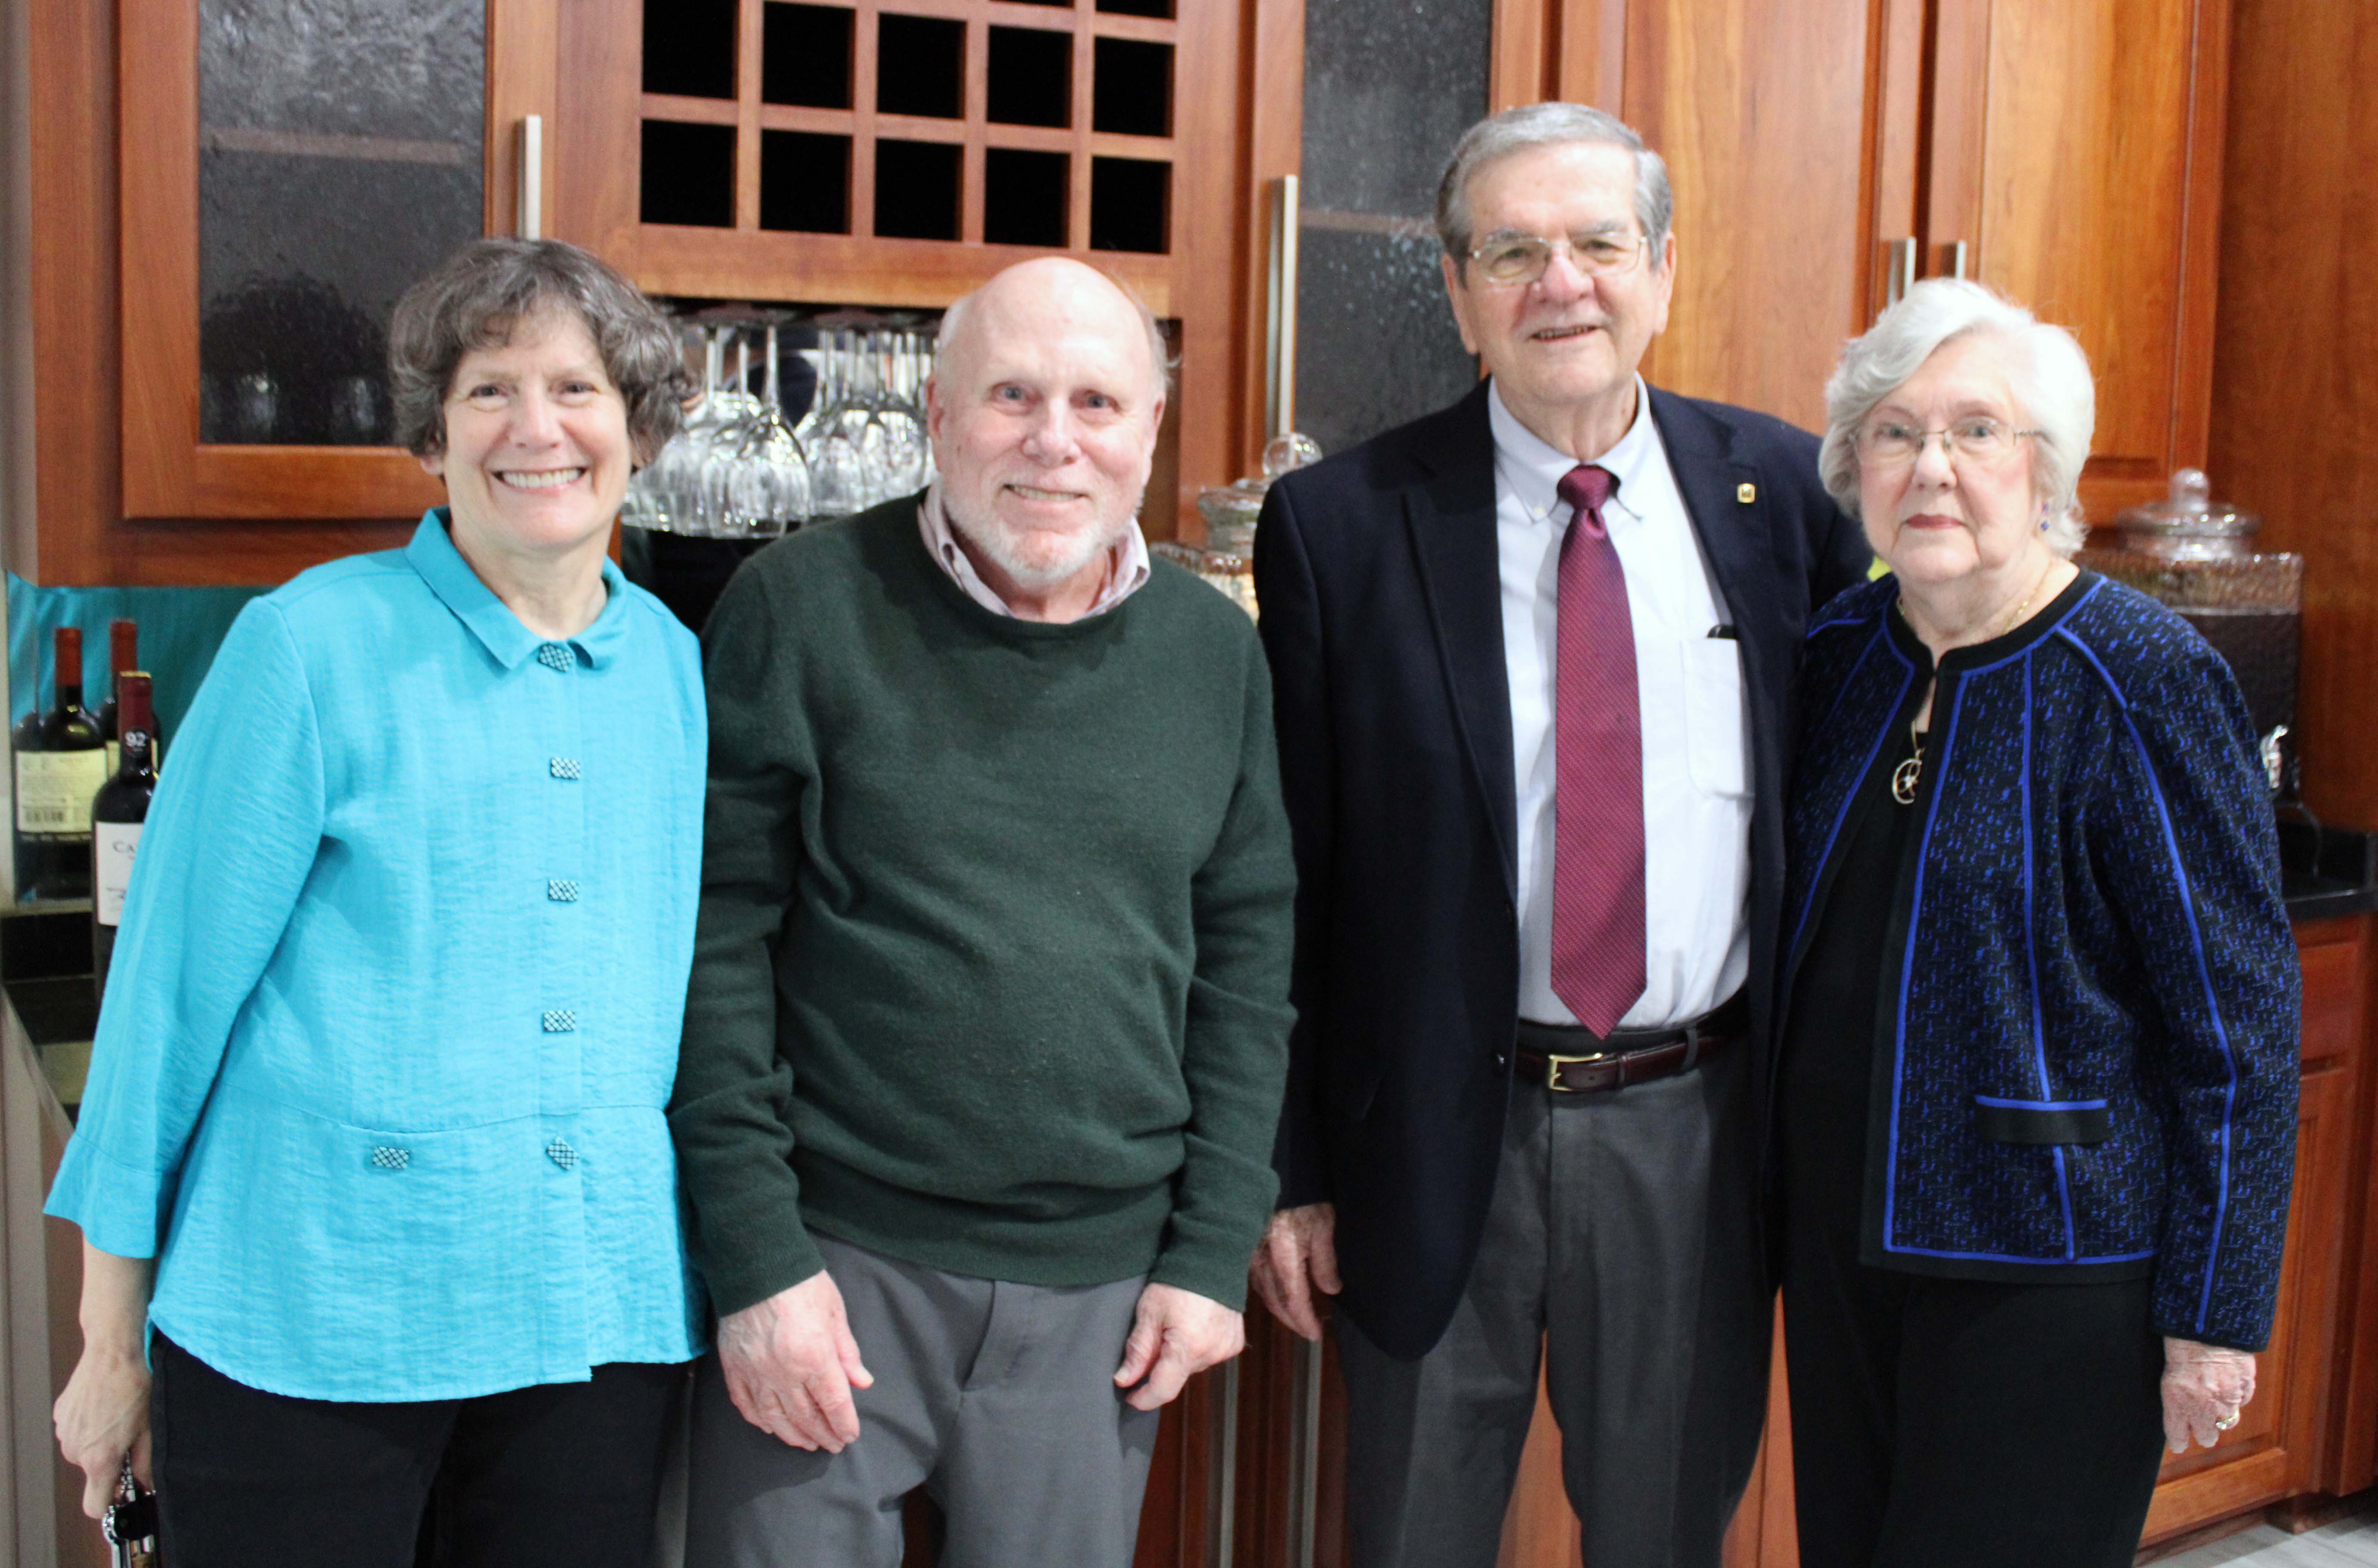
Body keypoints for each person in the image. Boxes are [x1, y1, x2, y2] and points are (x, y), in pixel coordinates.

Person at [1248, 101, 1874, 1566]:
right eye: (1511, 251)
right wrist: (1290, 1170)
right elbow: (1287, 880)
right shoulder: (1340, 524)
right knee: (1412, 1535)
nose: (1560, 285)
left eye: (1598, 243)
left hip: (1697, 1129)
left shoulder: (1787, 496)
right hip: (1425, 1135)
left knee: (1664, 1535)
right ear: (1458, 290)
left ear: (1660, 268)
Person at [45, 237, 708, 1567]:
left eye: (576, 392)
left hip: (594, 1325)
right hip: (313, 1318)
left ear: (637, 431)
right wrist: (109, 1344)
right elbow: (164, 1008)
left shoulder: (678, 668)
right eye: (488, 391)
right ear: (431, 437)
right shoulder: (307, 645)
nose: (536, 430)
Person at [671, 255, 1295, 1568]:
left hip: (1104, 1296)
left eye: (1097, 403)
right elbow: (711, 952)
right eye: (1012, 396)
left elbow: (1246, 965)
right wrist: (757, 1262)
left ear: (1150, 434)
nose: (1054, 442)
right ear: (938, 420)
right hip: (832, 1264)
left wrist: (1208, 1247)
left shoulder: (1214, 650)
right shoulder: (797, 608)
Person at [1775, 276, 2297, 1566]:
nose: (1932, 468)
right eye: (1895, 433)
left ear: (2048, 471)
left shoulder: (2145, 677)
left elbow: (2237, 1027)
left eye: (1977, 432)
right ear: (1853, 469)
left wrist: (2216, 1315)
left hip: (2050, 1273)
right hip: (1841, 1252)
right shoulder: (1841, 652)